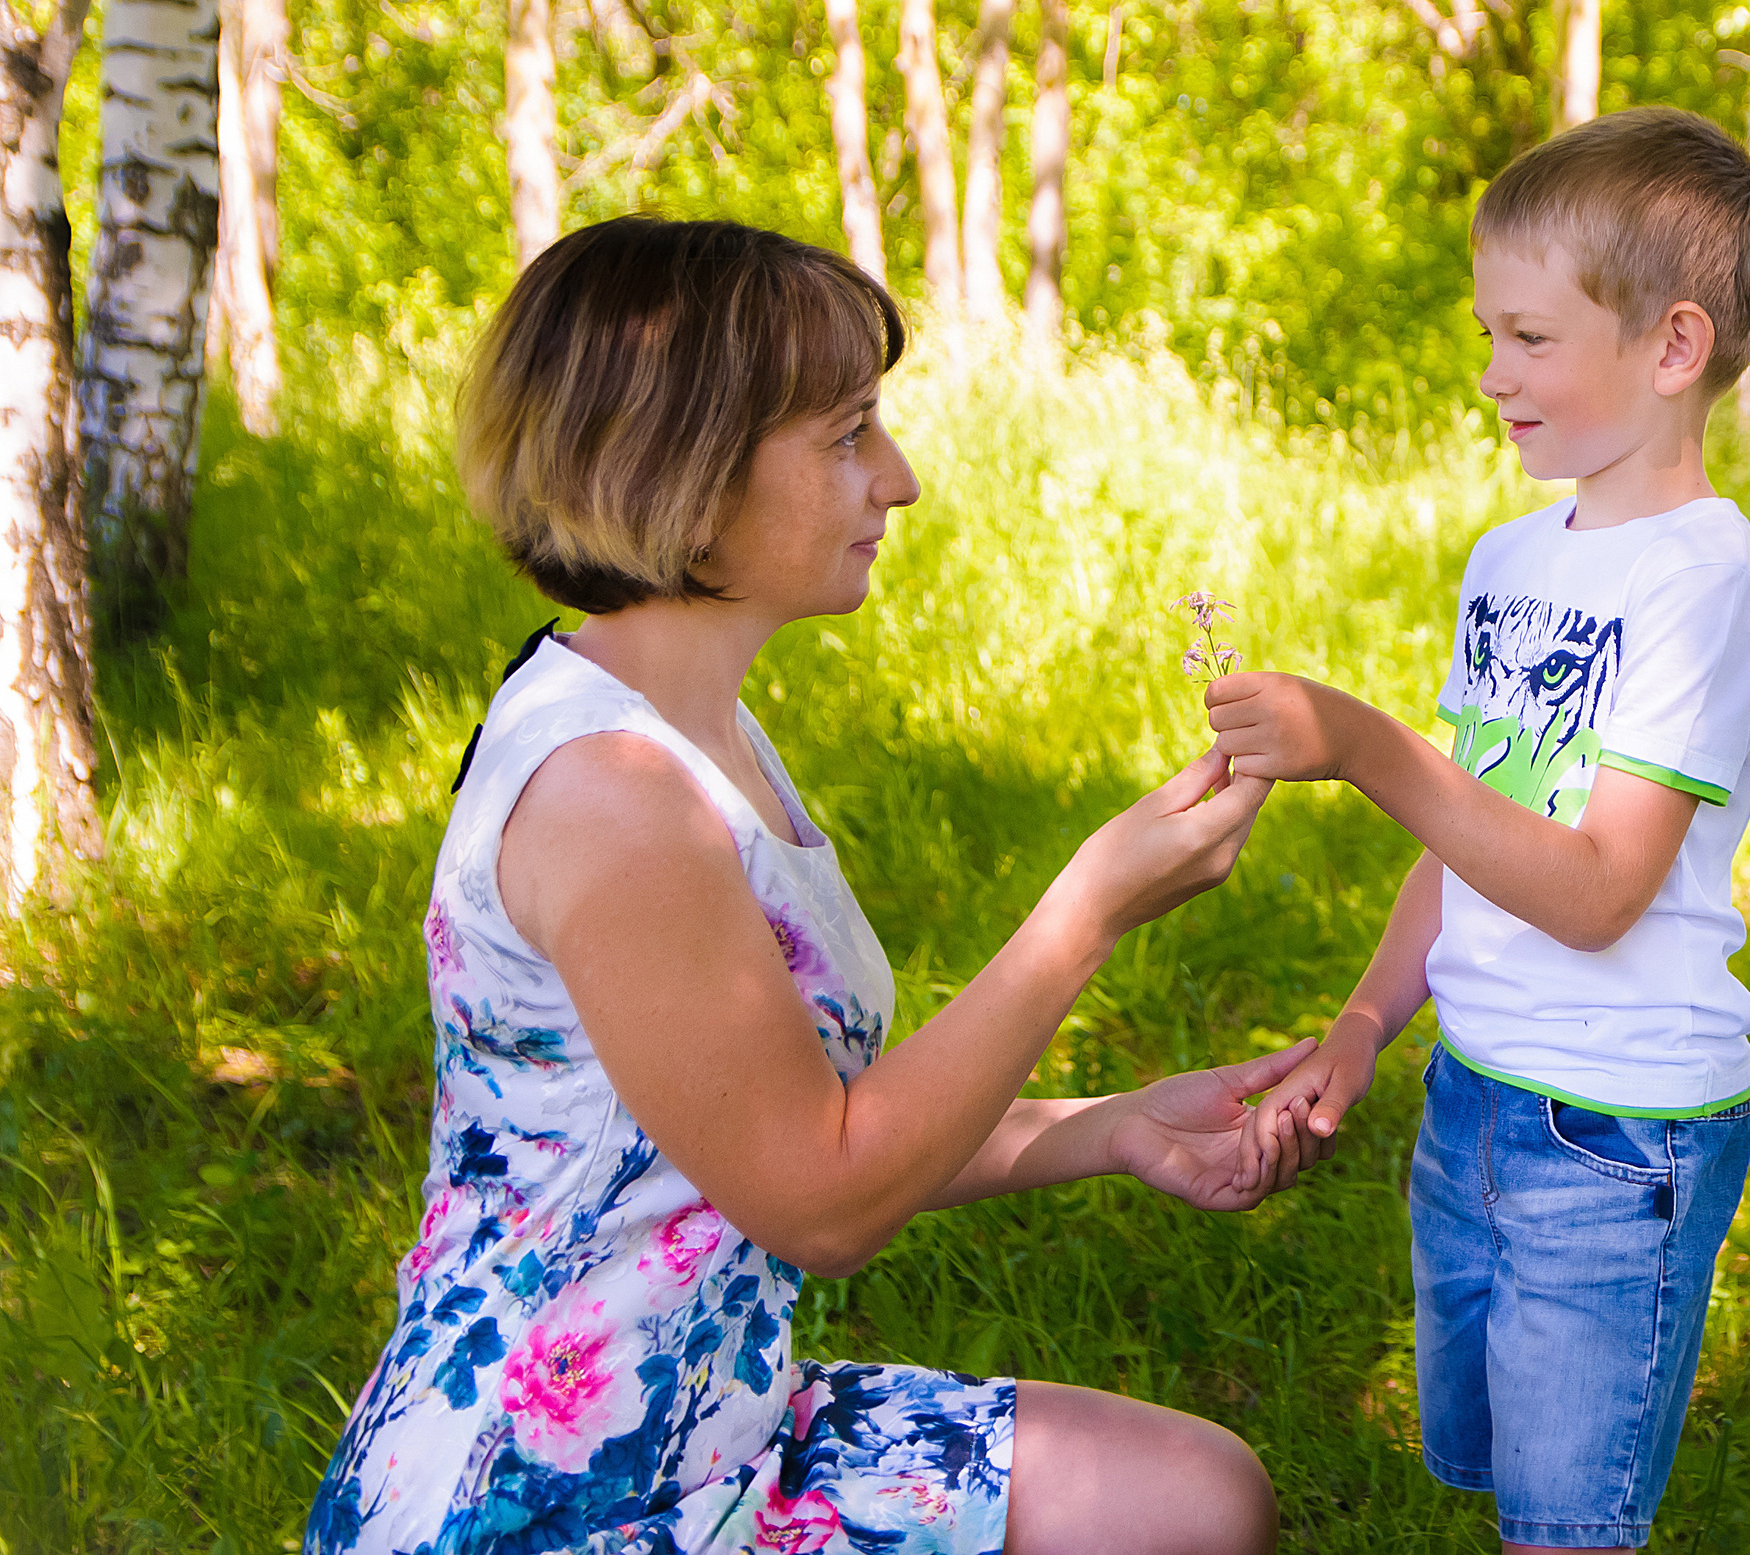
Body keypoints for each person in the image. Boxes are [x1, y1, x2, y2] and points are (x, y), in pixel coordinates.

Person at [305, 216, 1325, 1555]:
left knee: (1200, 1501)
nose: (895, 478)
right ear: (687, 471)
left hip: (720, 1429)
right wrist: (1087, 912)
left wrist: (1117, 1123)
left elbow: (785, 1122)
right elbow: (823, 1195)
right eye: (847, 436)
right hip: (540, 1500)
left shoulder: (693, 734)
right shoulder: (615, 794)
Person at [1205, 108, 1750, 1552]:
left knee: (1568, 1522)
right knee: (1481, 1465)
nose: (1492, 376)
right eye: (1490, 335)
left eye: (1529, 339)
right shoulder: (1516, 558)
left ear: (1671, 347)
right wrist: (1362, 1022)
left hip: (1616, 1135)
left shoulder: (1704, 587)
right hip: (1475, 1096)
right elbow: (1481, 830)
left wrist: (1363, 745)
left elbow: (1596, 890)